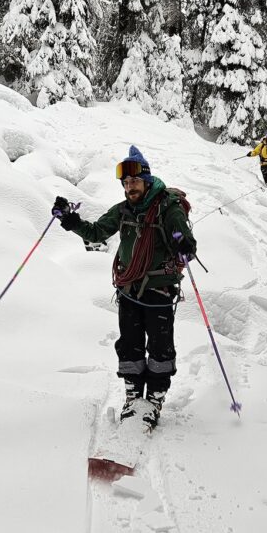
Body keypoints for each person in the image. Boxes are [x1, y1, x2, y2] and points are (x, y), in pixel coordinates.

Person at [51, 145, 197, 430]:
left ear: (146, 180)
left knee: (159, 348)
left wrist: (183, 243)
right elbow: (96, 232)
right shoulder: (123, 211)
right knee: (129, 345)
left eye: (134, 181)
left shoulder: (168, 207)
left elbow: (182, 237)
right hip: (128, 290)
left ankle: (154, 397)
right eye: (126, 182)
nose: (129, 187)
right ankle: (133, 396)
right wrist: (70, 220)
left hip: (159, 291)